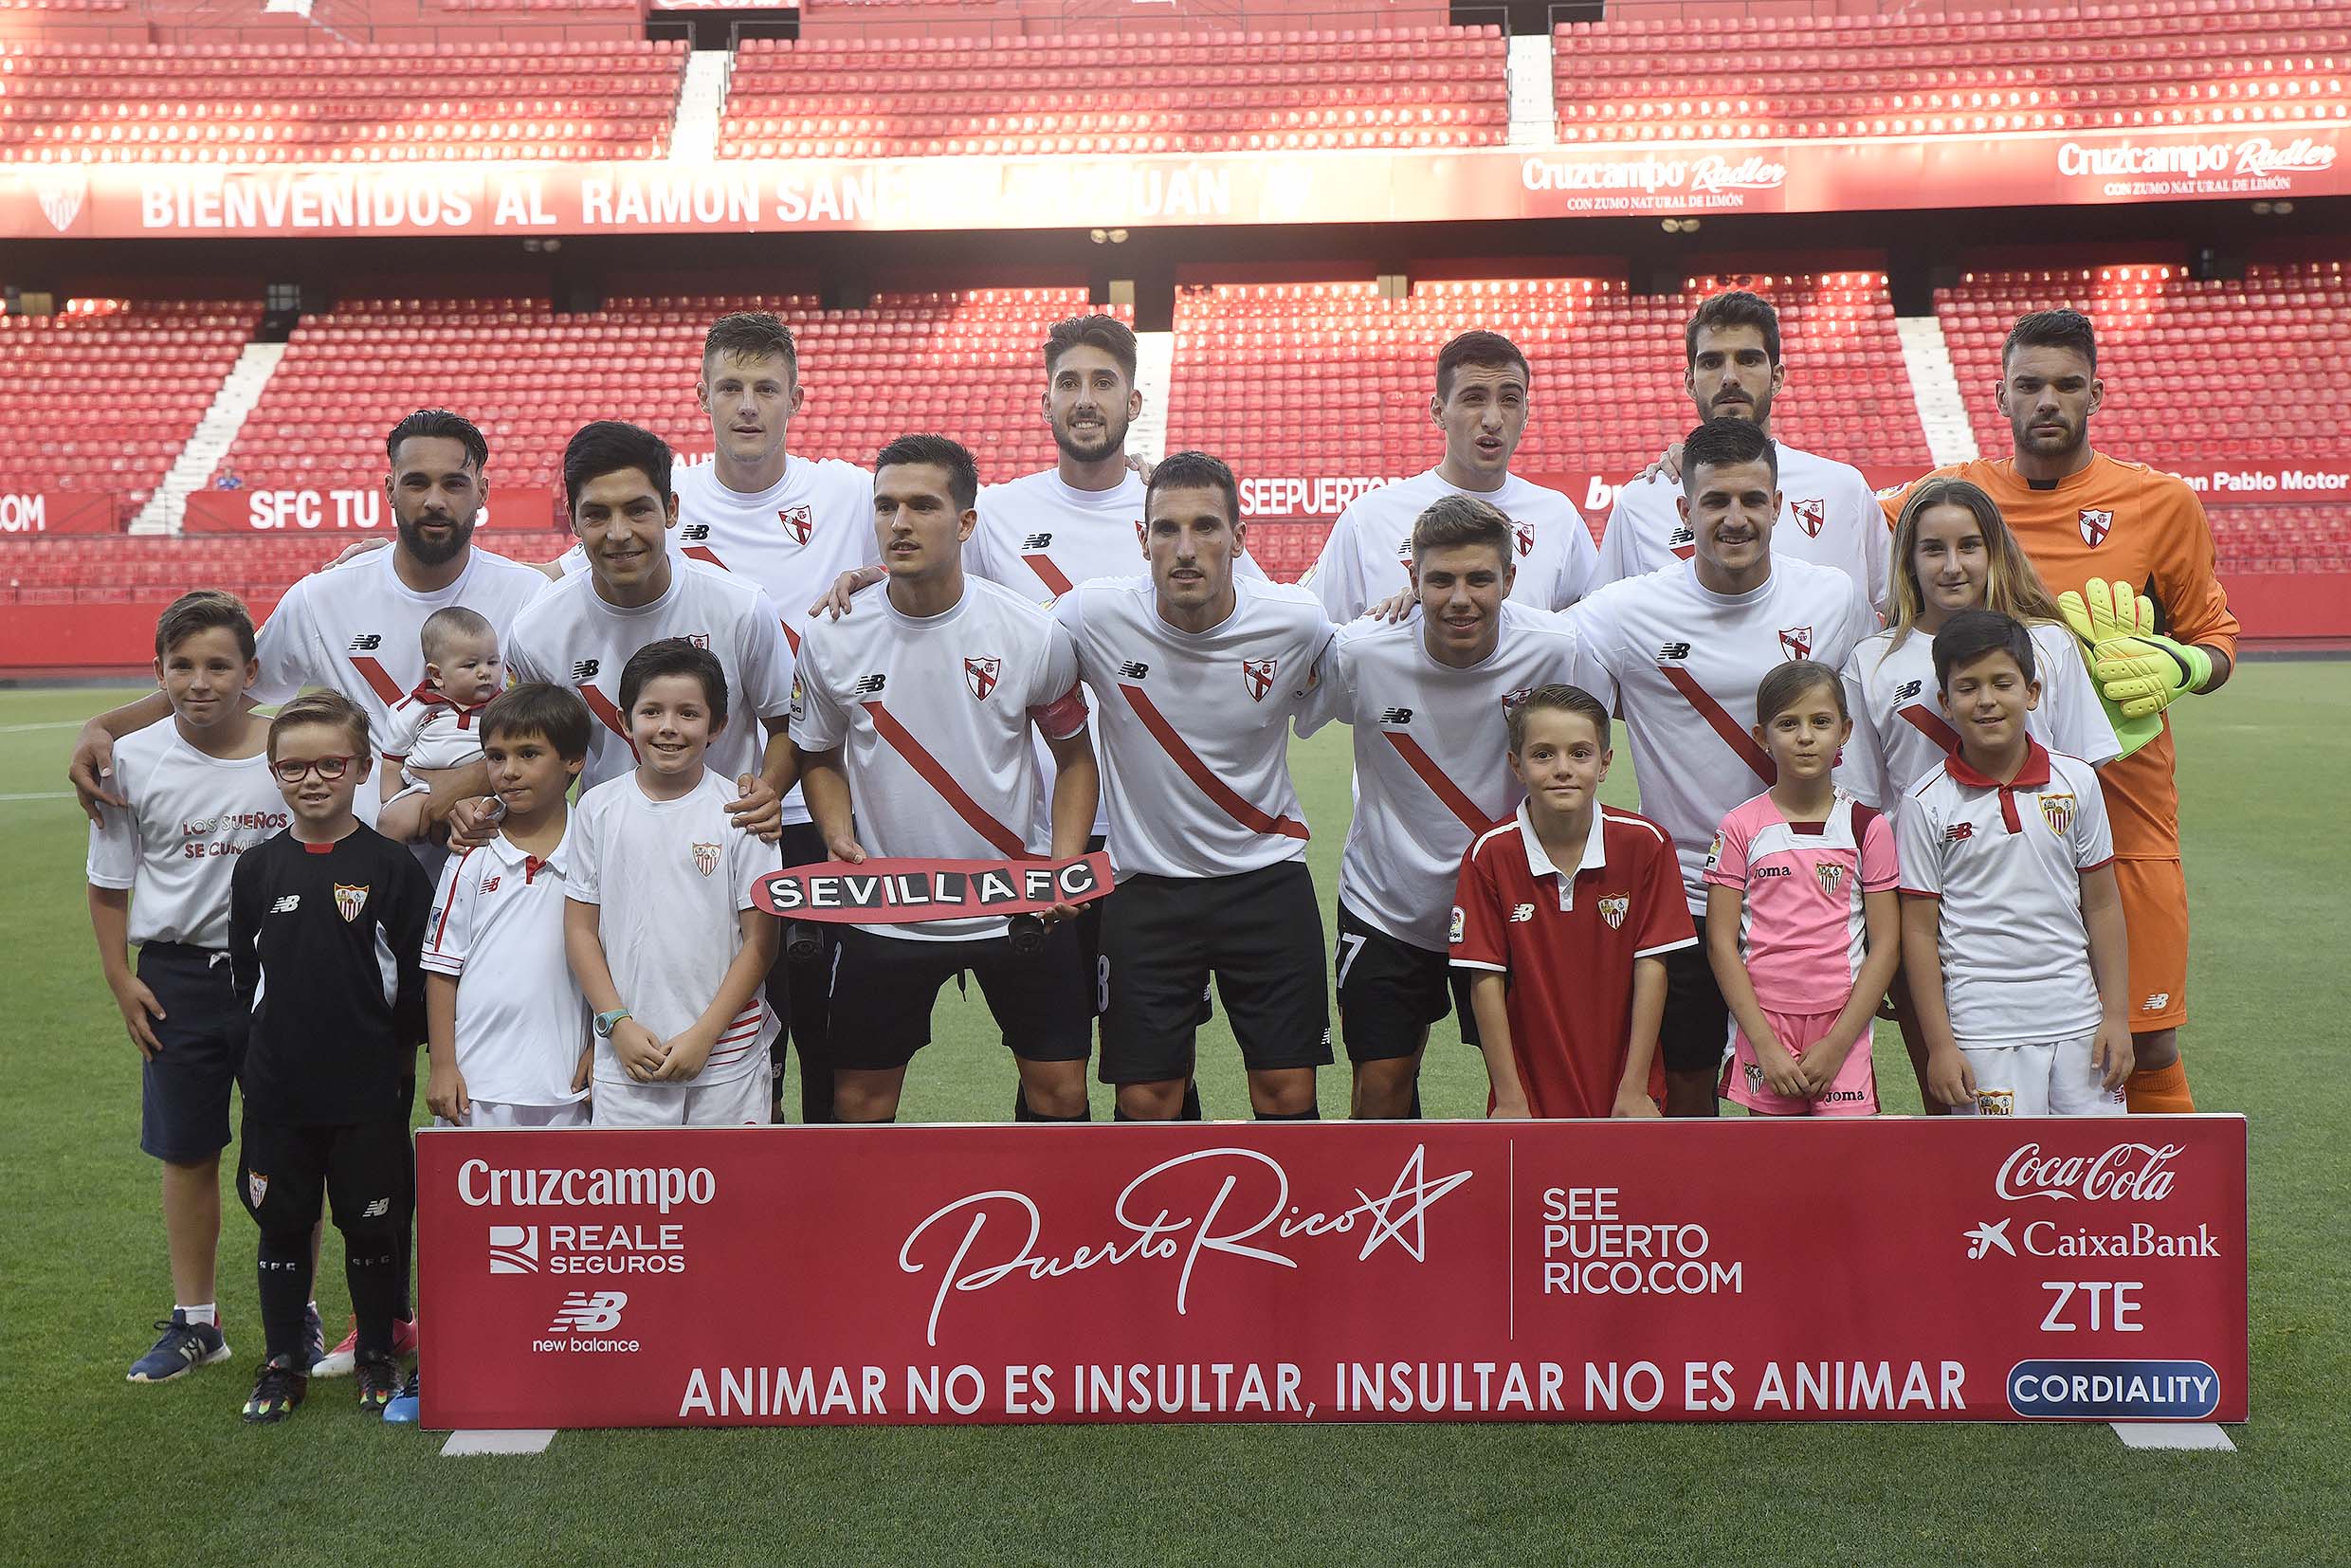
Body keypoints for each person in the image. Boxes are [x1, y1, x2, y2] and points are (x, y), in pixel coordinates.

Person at [820, 314, 1243, 1120]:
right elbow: (933, 595)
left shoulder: (1176, 512)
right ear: (1045, 402)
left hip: (1149, 838)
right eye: (1069, 384)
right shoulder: (1003, 513)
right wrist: (867, 574)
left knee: (1150, 1066)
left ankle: (1141, 1224)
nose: (1086, 400)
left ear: (1134, 397)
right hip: (1034, 847)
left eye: (1103, 382)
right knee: (1051, 1060)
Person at [1879, 308, 2235, 1115]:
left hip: (2129, 808)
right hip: (1991, 827)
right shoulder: (1954, 498)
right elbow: (1835, 511)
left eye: (2067, 385)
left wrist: (2180, 664)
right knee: (1981, 1038)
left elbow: (2216, 640)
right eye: (2030, 384)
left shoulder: (2161, 502)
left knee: (2147, 1040)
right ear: (1999, 394)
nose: (2048, 400)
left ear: (2096, 394)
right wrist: (1669, 476)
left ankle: (2159, 1228)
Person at [68, 410, 550, 868]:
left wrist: (462, 784)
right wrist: (109, 726)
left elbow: (564, 726)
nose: (435, 500)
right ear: (389, 489)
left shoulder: (528, 597)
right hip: (357, 868)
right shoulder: (323, 597)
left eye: (455, 483)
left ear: (482, 491)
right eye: (416, 482)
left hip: (492, 853)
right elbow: (228, 689)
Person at [1561, 417, 1877, 1116]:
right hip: (1689, 896)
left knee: (1823, 1091)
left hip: (1810, 894)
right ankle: (1699, 1224)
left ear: (1777, 504)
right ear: (1685, 510)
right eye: (1715, 502)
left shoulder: (1836, 599)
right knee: (1690, 1086)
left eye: (1751, 500)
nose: (1735, 519)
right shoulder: (1621, 614)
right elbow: (1532, 656)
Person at [793, 435, 1100, 1123]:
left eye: (923, 505)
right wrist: (838, 834)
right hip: (888, 905)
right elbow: (817, 754)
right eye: (886, 506)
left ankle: (1053, 1233)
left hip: (1015, 899)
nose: (899, 523)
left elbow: (1077, 758)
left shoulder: (1030, 634)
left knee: (1061, 1093)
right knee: (861, 1102)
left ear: (964, 523)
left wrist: (1063, 866)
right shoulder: (832, 636)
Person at [1053, 451, 1337, 1121]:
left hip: (1266, 883)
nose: (1186, 550)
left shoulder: (1296, 622)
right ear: (1142, 539)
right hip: (1146, 891)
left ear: (1240, 539)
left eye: (1207, 527)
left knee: (1287, 1092)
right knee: (1147, 1099)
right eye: (1167, 529)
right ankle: (1156, 1229)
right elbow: (994, 630)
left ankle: (1290, 1228)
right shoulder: (1090, 614)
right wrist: (877, 578)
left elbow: (1374, 656)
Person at [88, 593, 326, 1382]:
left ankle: (299, 1311)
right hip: (177, 979)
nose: (200, 681)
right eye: (181, 666)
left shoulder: (285, 751)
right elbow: (110, 883)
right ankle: (197, 1322)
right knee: (187, 1150)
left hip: (279, 974)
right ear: (156, 674)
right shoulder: (131, 759)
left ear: (250, 673)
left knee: (286, 1146)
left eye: (219, 665)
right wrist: (123, 979)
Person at [1295, 495, 1586, 1118]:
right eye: (1440, 580)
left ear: (1510, 579)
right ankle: (1385, 1212)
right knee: (1380, 1088)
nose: (1461, 599)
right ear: (1412, 580)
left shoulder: (1556, 649)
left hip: (1513, 906)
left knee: (1535, 1089)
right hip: (1388, 904)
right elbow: (1289, 695)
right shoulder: (1362, 652)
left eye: (1480, 578)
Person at [1840, 480, 2119, 1112]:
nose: (1952, 564)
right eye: (1932, 548)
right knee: (1963, 1124)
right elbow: (1861, 813)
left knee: (2080, 1124)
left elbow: (2086, 787)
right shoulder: (1872, 663)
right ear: (1907, 561)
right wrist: (1872, 944)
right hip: (1930, 931)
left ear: (1995, 551)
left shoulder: (2048, 646)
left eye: (1969, 545)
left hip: (2052, 940)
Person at [227, 691, 431, 1421]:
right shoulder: (255, 872)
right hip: (278, 1090)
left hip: (367, 1091)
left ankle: (378, 1347)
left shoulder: (392, 867)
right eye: (293, 767)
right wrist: (252, 1065)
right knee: (282, 1221)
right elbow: (246, 979)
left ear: (361, 766)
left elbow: (413, 982)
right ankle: (283, 1359)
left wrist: (402, 1066)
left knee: (372, 1223)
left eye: (330, 765)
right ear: (274, 772)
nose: (312, 780)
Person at [1895, 610, 2132, 1116]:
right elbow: (1917, 931)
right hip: (1982, 1028)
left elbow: (2104, 905)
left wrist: (2116, 1017)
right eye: (1967, 687)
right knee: (1993, 1185)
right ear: (1945, 701)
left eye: (2002, 683)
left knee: (2087, 1178)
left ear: (2031, 692)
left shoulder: (2078, 783)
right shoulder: (1924, 802)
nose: (1986, 701)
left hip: (2079, 1021)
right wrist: (1939, 1045)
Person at [503, 421, 796, 819]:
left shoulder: (741, 607)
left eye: (638, 510)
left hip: (726, 844)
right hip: (607, 850)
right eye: (597, 515)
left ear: (670, 510)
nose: (619, 533)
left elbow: (787, 725)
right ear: (572, 521)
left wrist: (768, 791)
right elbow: (530, 753)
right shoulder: (535, 632)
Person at [564, 640, 782, 1127]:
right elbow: (580, 931)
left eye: (688, 713)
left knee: (732, 1198)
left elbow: (761, 942)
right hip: (627, 1055)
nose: (668, 727)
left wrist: (706, 1035)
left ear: (717, 726)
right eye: (652, 712)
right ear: (624, 722)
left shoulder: (743, 814)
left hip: (728, 1057)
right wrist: (616, 1023)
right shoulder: (598, 808)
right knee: (631, 1201)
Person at [1449, 684, 1690, 1119]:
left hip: (1626, 1090)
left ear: (1605, 763)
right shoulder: (1491, 854)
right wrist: (1509, 1096)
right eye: (1543, 755)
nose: (1562, 768)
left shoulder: (1646, 844)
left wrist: (1635, 1088)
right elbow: (1485, 980)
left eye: (1580, 753)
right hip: (1528, 1094)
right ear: (1516, 765)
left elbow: (1652, 967)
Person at [1595, 290, 1889, 610]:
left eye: (1748, 359)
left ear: (1776, 378)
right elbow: (1601, 632)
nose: (1730, 378)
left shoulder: (1843, 489)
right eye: (1711, 362)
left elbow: (1895, 612)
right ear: (1690, 382)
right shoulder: (1642, 502)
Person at [1703, 661, 1901, 1117]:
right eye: (1788, 724)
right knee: (1776, 1169)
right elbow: (1720, 943)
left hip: (1841, 1028)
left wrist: (1837, 1044)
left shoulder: (1867, 827)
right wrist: (1765, 1045)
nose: (1806, 737)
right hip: (1764, 1029)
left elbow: (1886, 945)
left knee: (1842, 1169)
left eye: (1821, 722)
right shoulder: (1739, 827)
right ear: (1761, 737)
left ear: (1845, 731)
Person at [1304, 330, 1597, 622]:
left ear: (1526, 413)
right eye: (1474, 399)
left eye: (1509, 399)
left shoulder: (1559, 516)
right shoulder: (1368, 518)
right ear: (1438, 411)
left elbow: (1593, 636)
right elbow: (1314, 638)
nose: (1493, 420)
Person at [376, 607, 502, 845]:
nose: (485, 672)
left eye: (492, 661)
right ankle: (391, 875)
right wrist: (390, 801)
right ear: (437, 675)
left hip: (488, 793)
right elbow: (393, 761)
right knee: (391, 822)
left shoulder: (505, 709)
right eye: (471, 665)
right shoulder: (413, 709)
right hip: (425, 792)